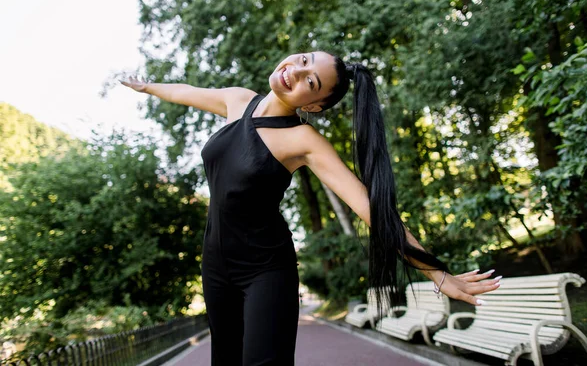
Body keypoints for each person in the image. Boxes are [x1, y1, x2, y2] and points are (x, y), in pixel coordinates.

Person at [120, 51, 501, 365]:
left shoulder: (303, 140)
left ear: (315, 105)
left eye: (311, 82)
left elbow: (371, 210)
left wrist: (436, 272)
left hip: (266, 270)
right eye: (302, 61)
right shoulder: (237, 99)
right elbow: (186, 91)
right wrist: (147, 86)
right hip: (215, 266)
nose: (295, 72)